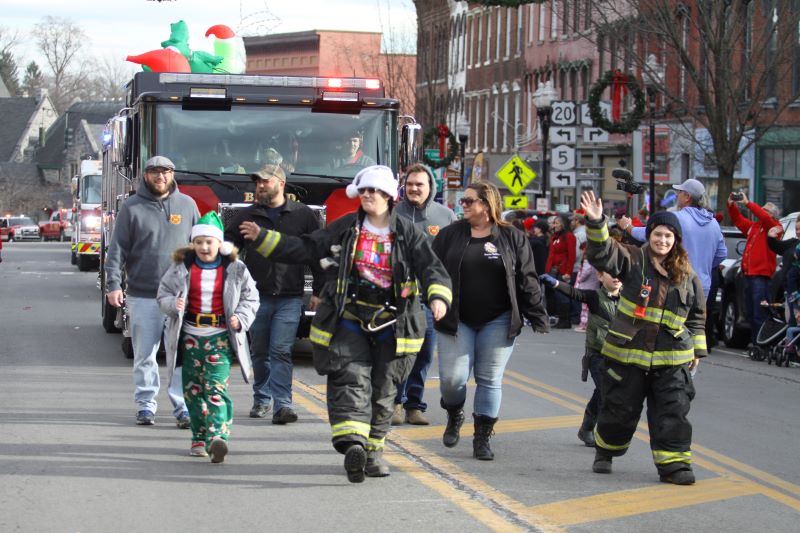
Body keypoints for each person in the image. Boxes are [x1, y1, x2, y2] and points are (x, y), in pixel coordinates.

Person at [239, 165, 452, 483]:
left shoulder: (408, 233)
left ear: (388, 196)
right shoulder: (346, 227)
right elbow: (307, 247)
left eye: (374, 191)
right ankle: (354, 445)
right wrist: (264, 238)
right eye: (363, 190)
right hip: (350, 319)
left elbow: (431, 268)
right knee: (350, 380)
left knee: (383, 390)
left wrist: (438, 298)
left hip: (393, 325)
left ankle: (373, 451)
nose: (368, 195)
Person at [580, 190, 707, 485]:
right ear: (649, 235)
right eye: (658, 234)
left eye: (668, 236)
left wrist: (697, 351)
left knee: (673, 411)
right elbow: (602, 253)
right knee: (619, 410)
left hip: (672, 359)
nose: (663, 240)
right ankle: (605, 451)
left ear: (676, 240)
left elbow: (697, 316)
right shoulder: (632, 259)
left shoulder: (687, 274)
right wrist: (597, 222)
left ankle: (675, 466)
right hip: (627, 355)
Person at [431, 182, 549, 461]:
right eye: (463, 201)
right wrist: (431, 297)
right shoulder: (450, 234)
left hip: (498, 318)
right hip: (456, 317)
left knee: (489, 378)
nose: (463, 205)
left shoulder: (512, 236)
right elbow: (432, 270)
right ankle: (454, 412)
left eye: (469, 201)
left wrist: (537, 313)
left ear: (486, 204)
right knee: (452, 379)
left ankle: (482, 437)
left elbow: (527, 277)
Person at [105, 155, 200, 426]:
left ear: (172, 175)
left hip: (179, 297)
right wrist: (113, 285)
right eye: (155, 172)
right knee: (145, 355)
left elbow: (202, 247)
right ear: (146, 175)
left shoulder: (188, 205)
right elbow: (117, 249)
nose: (161, 177)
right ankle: (146, 405)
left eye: (166, 172)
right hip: (143, 294)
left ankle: (182, 407)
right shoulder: (131, 207)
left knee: (179, 355)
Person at [224, 164, 322, 425]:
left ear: (281, 183)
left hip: (290, 296)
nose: (260, 186)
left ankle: (283, 404)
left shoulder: (302, 215)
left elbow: (316, 253)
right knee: (259, 352)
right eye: (257, 182)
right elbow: (227, 251)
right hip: (256, 298)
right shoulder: (247, 216)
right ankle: (262, 398)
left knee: (280, 350)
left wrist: (319, 291)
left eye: (265, 181)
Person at [157, 212, 259, 462]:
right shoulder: (181, 267)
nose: (204, 247)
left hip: (219, 337)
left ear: (219, 243)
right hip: (190, 337)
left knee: (214, 388)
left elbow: (251, 297)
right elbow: (163, 294)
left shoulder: (235, 268)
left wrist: (240, 318)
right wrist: (173, 304)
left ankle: (218, 437)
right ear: (193, 243)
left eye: (209, 242)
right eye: (199, 242)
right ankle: (199, 436)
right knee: (193, 391)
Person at [390, 163, 457, 426]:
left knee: (425, 354)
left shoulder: (446, 216)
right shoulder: (392, 214)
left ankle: (414, 405)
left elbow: (452, 258)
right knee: (399, 352)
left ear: (431, 187)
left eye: (419, 184)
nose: (414, 188)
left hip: (430, 299)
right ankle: (395, 402)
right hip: (399, 297)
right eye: (410, 184)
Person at [539, 269, 622, 447]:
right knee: (606, 392)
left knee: (603, 392)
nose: (616, 278)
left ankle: (586, 428)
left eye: (620, 274)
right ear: (600, 276)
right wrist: (555, 283)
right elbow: (575, 293)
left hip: (620, 356)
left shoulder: (629, 300)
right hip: (597, 355)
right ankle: (603, 435)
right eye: (611, 274)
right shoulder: (595, 297)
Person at [620, 179, 726, 300]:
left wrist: (628, 226)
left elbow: (649, 234)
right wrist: (703, 266)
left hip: (679, 284)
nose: (676, 195)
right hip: (703, 287)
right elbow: (722, 254)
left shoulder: (677, 218)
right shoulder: (713, 223)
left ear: (687, 197)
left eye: (680, 192)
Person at [727, 191, 781, 347]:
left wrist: (748, 203)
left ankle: (760, 345)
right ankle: (756, 342)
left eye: (765, 211)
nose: (761, 212)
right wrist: (731, 205)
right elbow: (738, 220)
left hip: (761, 277)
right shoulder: (755, 227)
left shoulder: (775, 227)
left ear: (772, 215)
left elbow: (764, 218)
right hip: (749, 275)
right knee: (750, 312)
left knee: (759, 313)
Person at [545, 213, 576, 328]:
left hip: (562, 270)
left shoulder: (569, 236)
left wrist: (568, 272)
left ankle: (565, 320)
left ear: (563, 224)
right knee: (556, 296)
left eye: (557, 223)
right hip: (553, 270)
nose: (554, 225)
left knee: (562, 296)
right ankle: (561, 319)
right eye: (554, 223)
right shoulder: (555, 237)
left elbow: (571, 255)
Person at [767, 220, 800, 326]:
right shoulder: (792, 243)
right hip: (792, 292)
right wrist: (771, 238)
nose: (798, 232)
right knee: (793, 320)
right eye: (796, 229)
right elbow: (777, 246)